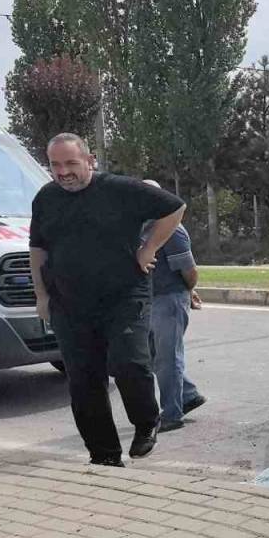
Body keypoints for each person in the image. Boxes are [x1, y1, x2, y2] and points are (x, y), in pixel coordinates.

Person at [29, 133, 186, 466]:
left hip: (124, 296)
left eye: (71, 163)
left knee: (128, 362)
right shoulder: (45, 198)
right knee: (84, 381)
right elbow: (38, 249)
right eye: (55, 165)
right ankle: (104, 456)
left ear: (90, 160)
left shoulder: (120, 189)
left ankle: (146, 422)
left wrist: (149, 248)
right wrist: (41, 296)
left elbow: (174, 207)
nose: (63, 172)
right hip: (69, 303)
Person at [141, 179, 206, 432]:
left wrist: (189, 292)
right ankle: (188, 395)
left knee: (168, 358)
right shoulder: (143, 228)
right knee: (154, 355)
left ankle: (171, 414)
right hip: (149, 300)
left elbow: (189, 271)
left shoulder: (173, 230)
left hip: (169, 299)